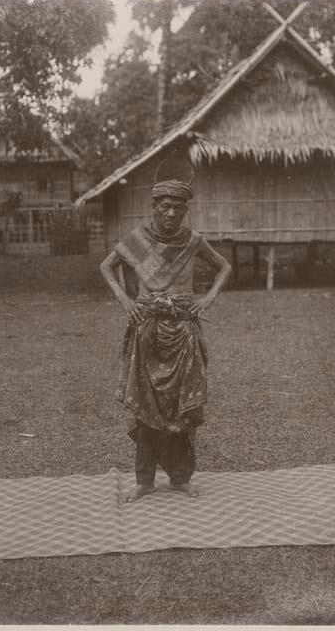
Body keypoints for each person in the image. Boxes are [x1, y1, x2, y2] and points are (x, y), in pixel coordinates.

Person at [100, 178, 231, 502]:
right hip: (148, 331)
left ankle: (180, 478)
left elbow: (224, 267)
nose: (171, 213)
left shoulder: (193, 240)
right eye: (165, 207)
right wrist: (125, 301)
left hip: (183, 332)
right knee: (146, 407)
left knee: (182, 407)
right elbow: (106, 266)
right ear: (154, 207)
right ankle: (144, 480)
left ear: (186, 210)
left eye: (178, 208)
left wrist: (208, 299)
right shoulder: (138, 240)